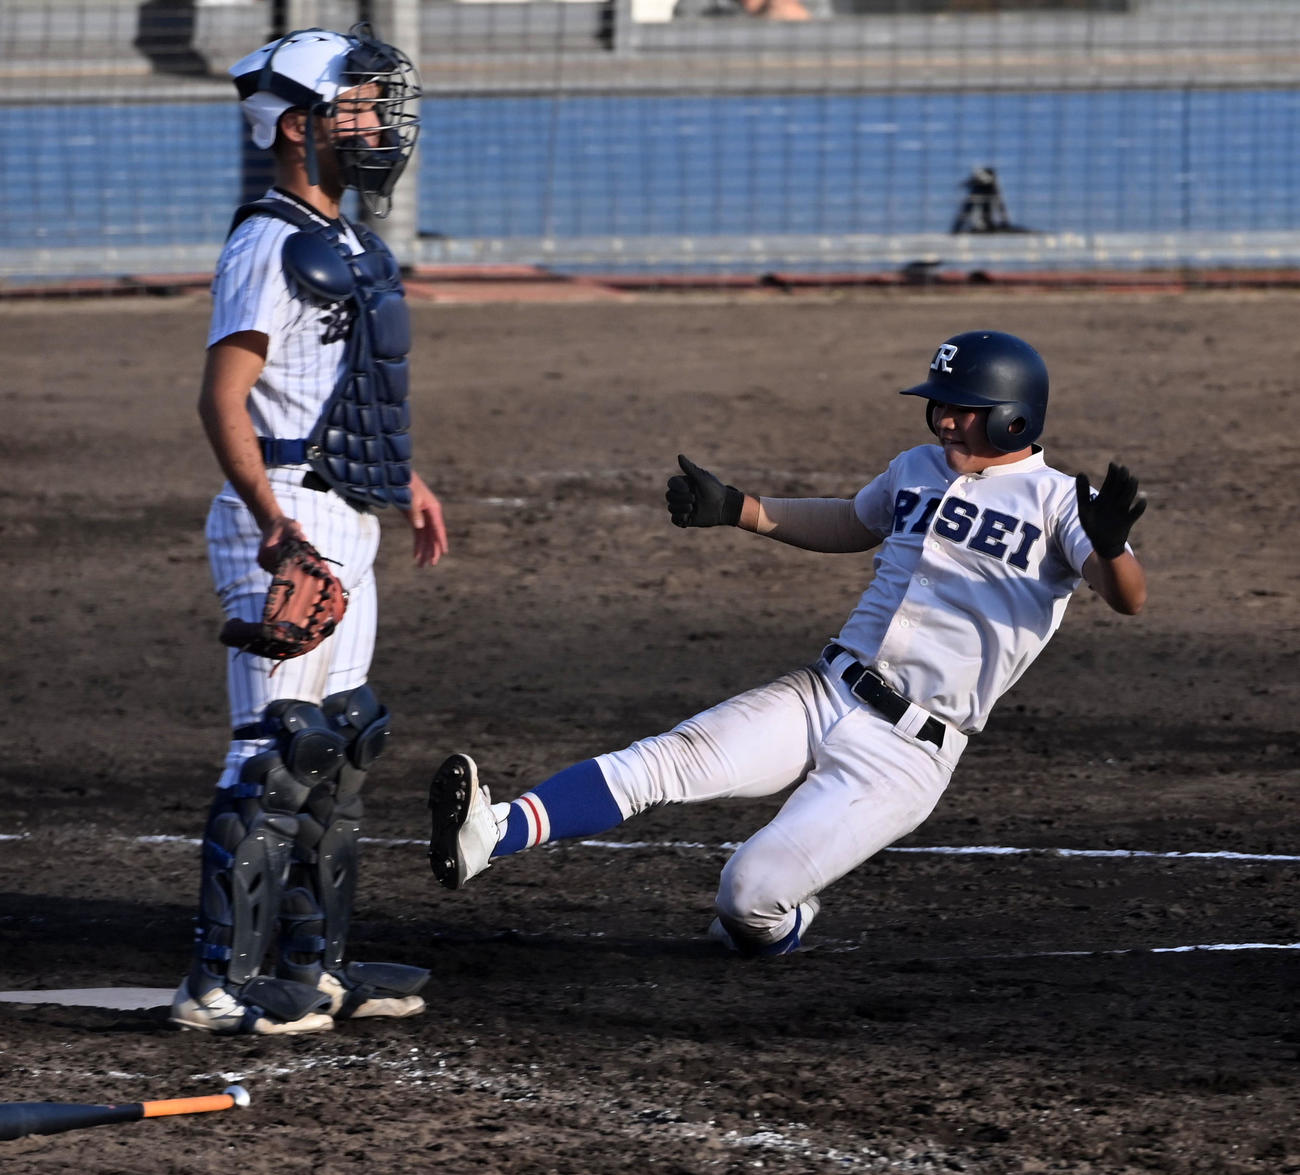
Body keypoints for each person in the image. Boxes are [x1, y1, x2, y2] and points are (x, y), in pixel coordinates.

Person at [426, 330, 1147, 956]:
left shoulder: (1059, 503)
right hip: (824, 689)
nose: (946, 421)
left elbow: (1127, 596)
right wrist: (740, 510)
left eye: (964, 409)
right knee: (663, 761)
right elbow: (851, 523)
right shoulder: (915, 468)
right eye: (941, 405)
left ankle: (781, 924)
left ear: (1014, 416)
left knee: (747, 896)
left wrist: (1111, 544)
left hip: (906, 753)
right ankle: (491, 832)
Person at [171, 23, 448, 1034]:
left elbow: (336, 389)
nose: (376, 124)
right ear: (299, 127)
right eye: (357, 107)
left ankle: (313, 963)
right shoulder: (265, 243)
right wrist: (276, 528)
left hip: (347, 511)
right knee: (273, 750)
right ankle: (217, 982)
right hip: (286, 520)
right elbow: (225, 400)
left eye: (378, 106)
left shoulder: (344, 240)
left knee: (341, 742)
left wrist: (399, 476)